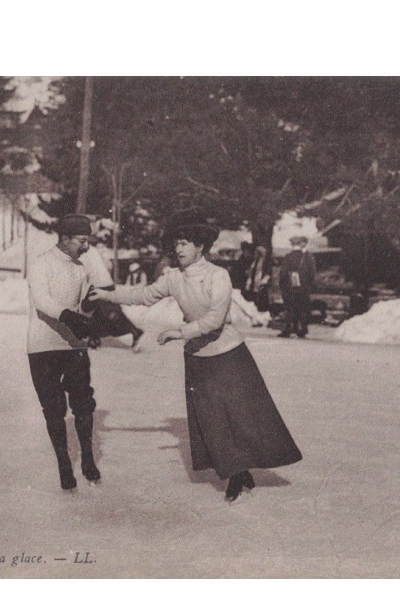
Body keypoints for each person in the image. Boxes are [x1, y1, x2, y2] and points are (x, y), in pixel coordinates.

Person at [89, 214, 302, 503]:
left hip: (230, 355)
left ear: (200, 247)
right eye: (176, 244)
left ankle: (241, 471)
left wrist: (179, 332)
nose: (179, 249)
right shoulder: (174, 277)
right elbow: (142, 295)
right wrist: (103, 295)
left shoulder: (218, 276)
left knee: (242, 417)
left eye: (185, 244)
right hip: (198, 357)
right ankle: (237, 473)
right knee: (212, 420)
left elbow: (215, 319)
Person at [26, 213, 101, 491]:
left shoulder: (81, 268)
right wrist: (70, 316)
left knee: (83, 403)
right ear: (66, 238)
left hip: (73, 346)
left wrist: (91, 308)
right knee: (54, 409)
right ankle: (64, 465)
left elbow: (82, 311)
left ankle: (88, 459)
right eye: (82, 241)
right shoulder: (41, 263)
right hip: (43, 346)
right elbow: (42, 301)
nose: (86, 247)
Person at [80, 240, 144, 352]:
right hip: (105, 283)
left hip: (99, 285)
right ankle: (94, 338)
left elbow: (81, 272)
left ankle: (135, 331)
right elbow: (108, 265)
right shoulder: (93, 250)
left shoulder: (82, 252)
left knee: (110, 314)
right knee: (96, 312)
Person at [278, 235, 316, 338]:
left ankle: (288, 329)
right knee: (302, 308)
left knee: (290, 308)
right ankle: (302, 329)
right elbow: (312, 274)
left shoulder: (289, 256)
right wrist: (308, 286)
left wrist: (283, 286)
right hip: (304, 288)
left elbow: (283, 274)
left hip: (290, 287)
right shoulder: (308, 257)